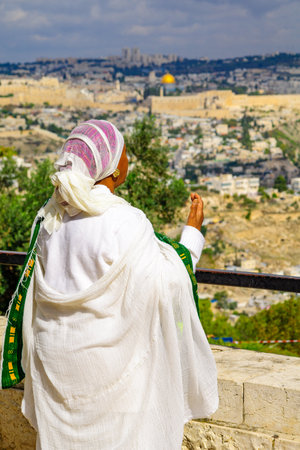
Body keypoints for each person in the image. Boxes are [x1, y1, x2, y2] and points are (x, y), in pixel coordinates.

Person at [2, 120, 218, 449]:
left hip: (57, 371)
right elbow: (165, 287)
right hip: (110, 379)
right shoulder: (124, 222)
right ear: (115, 169)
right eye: (125, 153)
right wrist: (192, 237)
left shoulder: (50, 221)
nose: (128, 159)